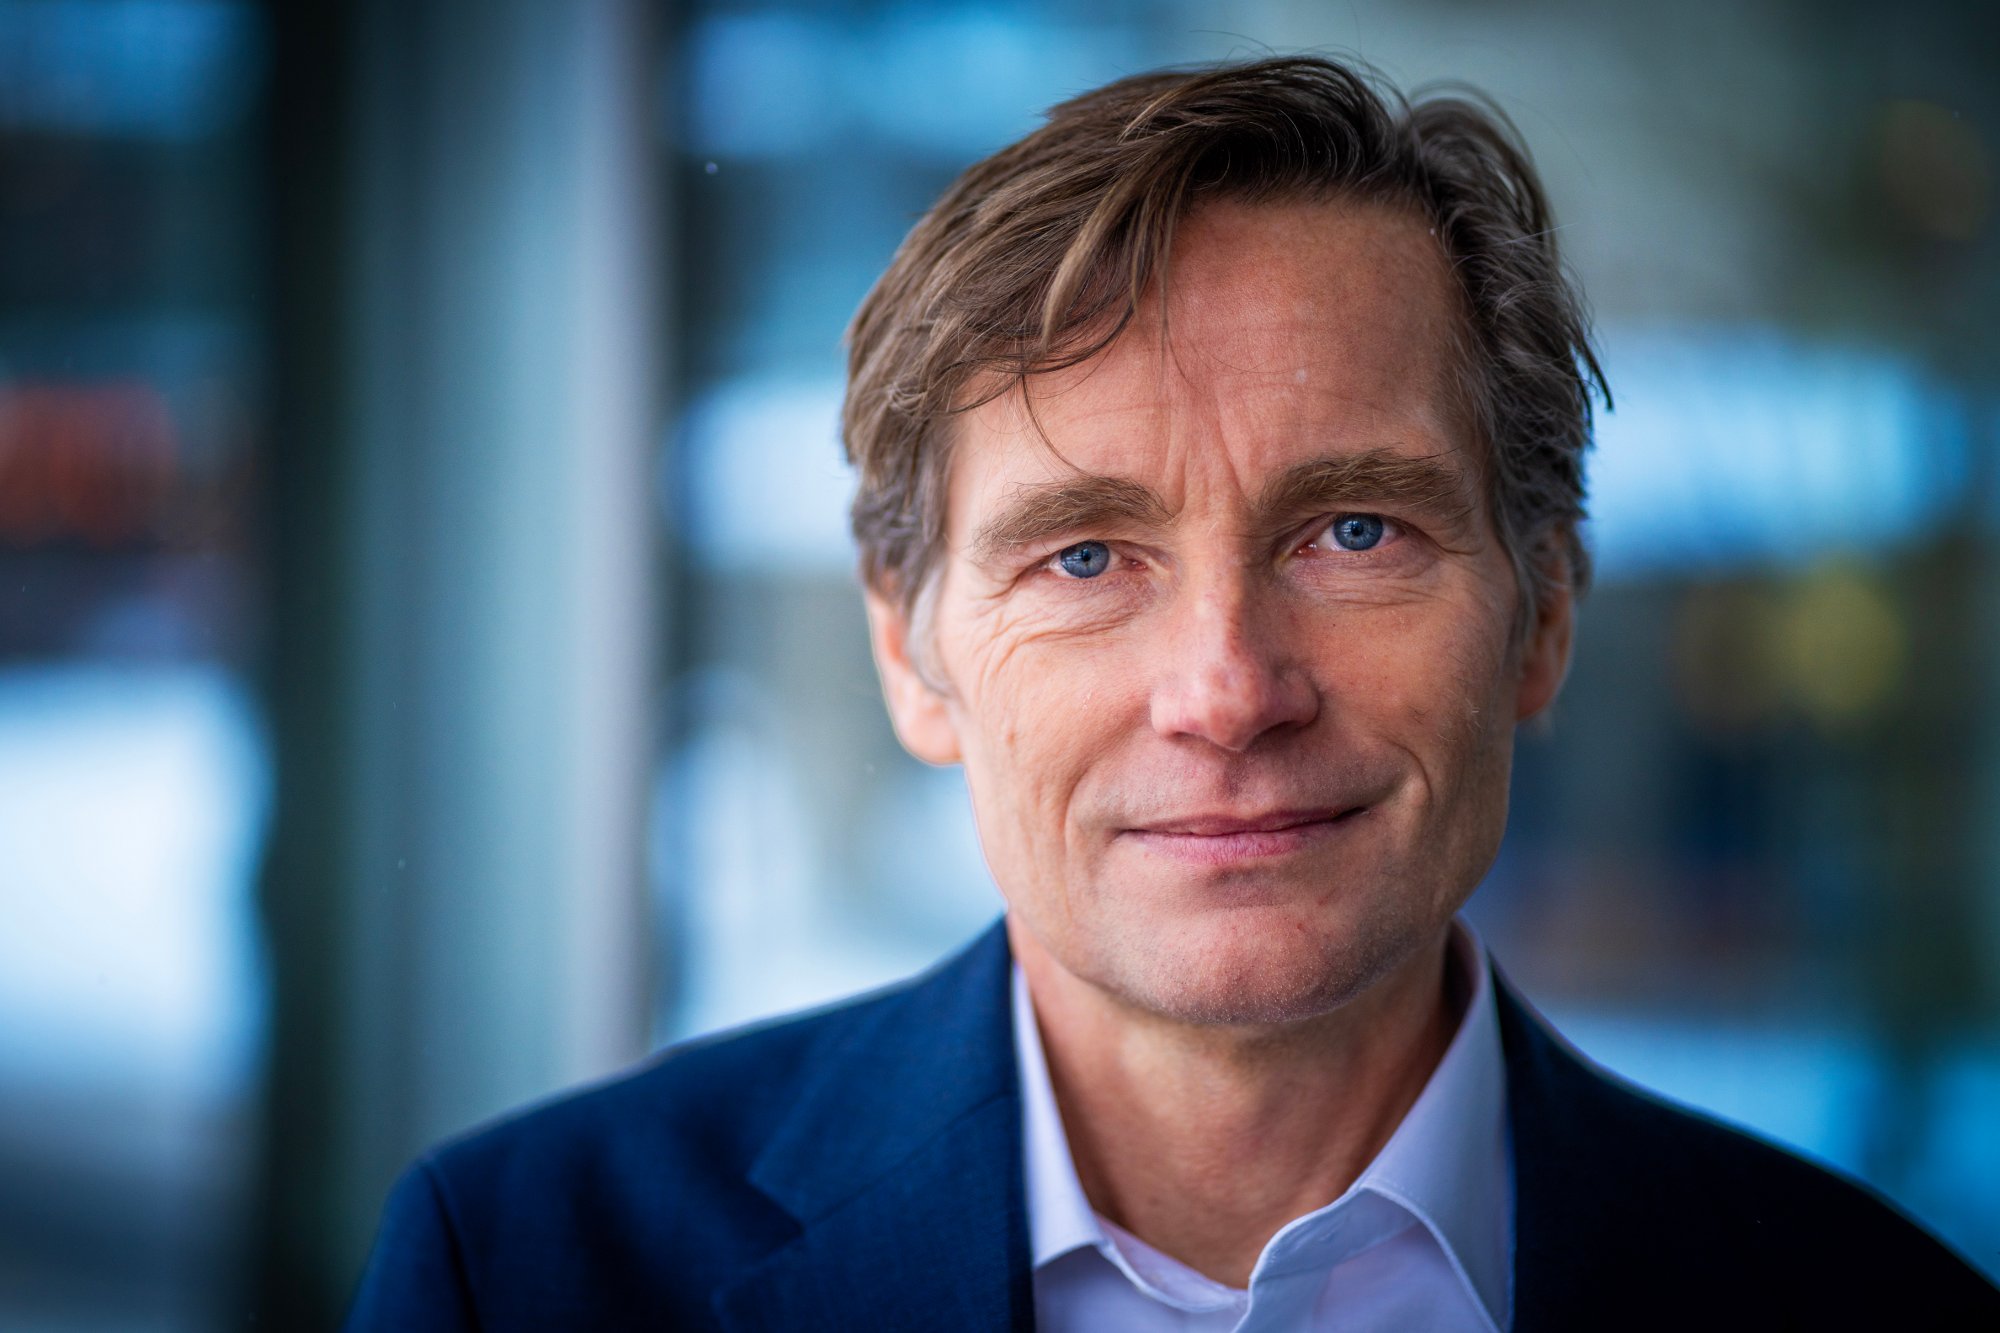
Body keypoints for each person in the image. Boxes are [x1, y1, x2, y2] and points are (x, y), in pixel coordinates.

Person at [345, 56, 2000, 1331]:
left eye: (1356, 531)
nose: (1226, 689)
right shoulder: (526, 1271)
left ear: (1545, 610)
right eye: (1084, 555)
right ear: (911, 653)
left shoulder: (1872, 1307)